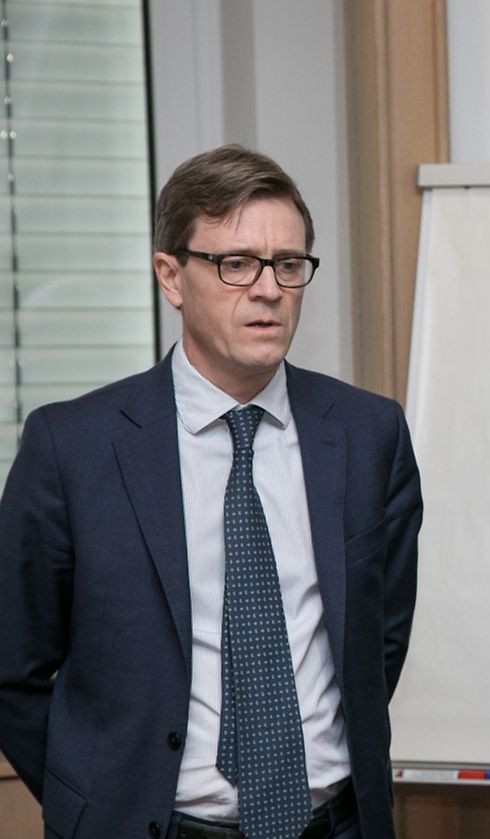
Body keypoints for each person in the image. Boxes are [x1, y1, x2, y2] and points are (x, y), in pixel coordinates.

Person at [0, 146, 421, 839]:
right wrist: (93, 799)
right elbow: (12, 668)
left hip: (336, 823)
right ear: (171, 276)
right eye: (237, 264)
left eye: (288, 264)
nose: (268, 289)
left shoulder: (369, 434)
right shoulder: (72, 448)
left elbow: (379, 642)